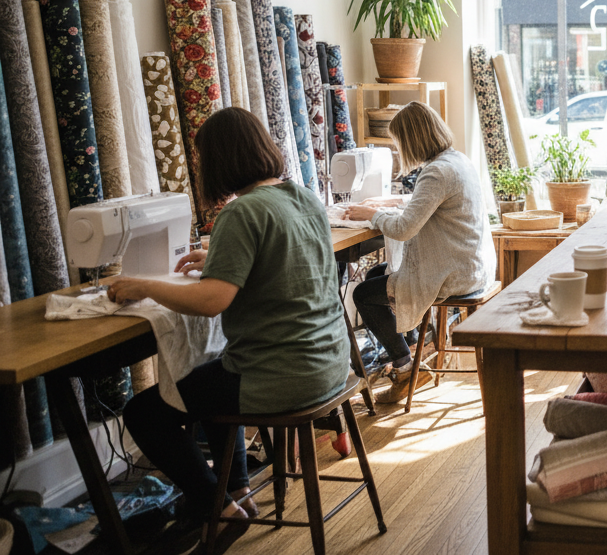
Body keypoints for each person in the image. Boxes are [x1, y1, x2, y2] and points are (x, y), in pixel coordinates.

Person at [109, 107, 351, 537]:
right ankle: (238, 491)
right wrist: (220, 261)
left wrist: (143, 286)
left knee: (144, 413)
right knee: (212, 378)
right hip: (329, 363)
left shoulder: (241, 212)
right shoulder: (302, 196)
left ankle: (215, 505)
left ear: (218, 160)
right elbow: (281, 259)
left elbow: (211, 302)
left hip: (283, 376)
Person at [344, 101, 495, 405]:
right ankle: (413, 348)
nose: (398, 150)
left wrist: (369, 214)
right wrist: (388, 206)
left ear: (411, 140)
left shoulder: (436, 173)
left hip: (457, 274)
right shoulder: (456, 160)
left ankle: (405, 367)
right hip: (473, 265)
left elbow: (403, 229)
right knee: (377, 274)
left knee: (362, 294)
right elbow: (428, 209)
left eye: (399, 142)